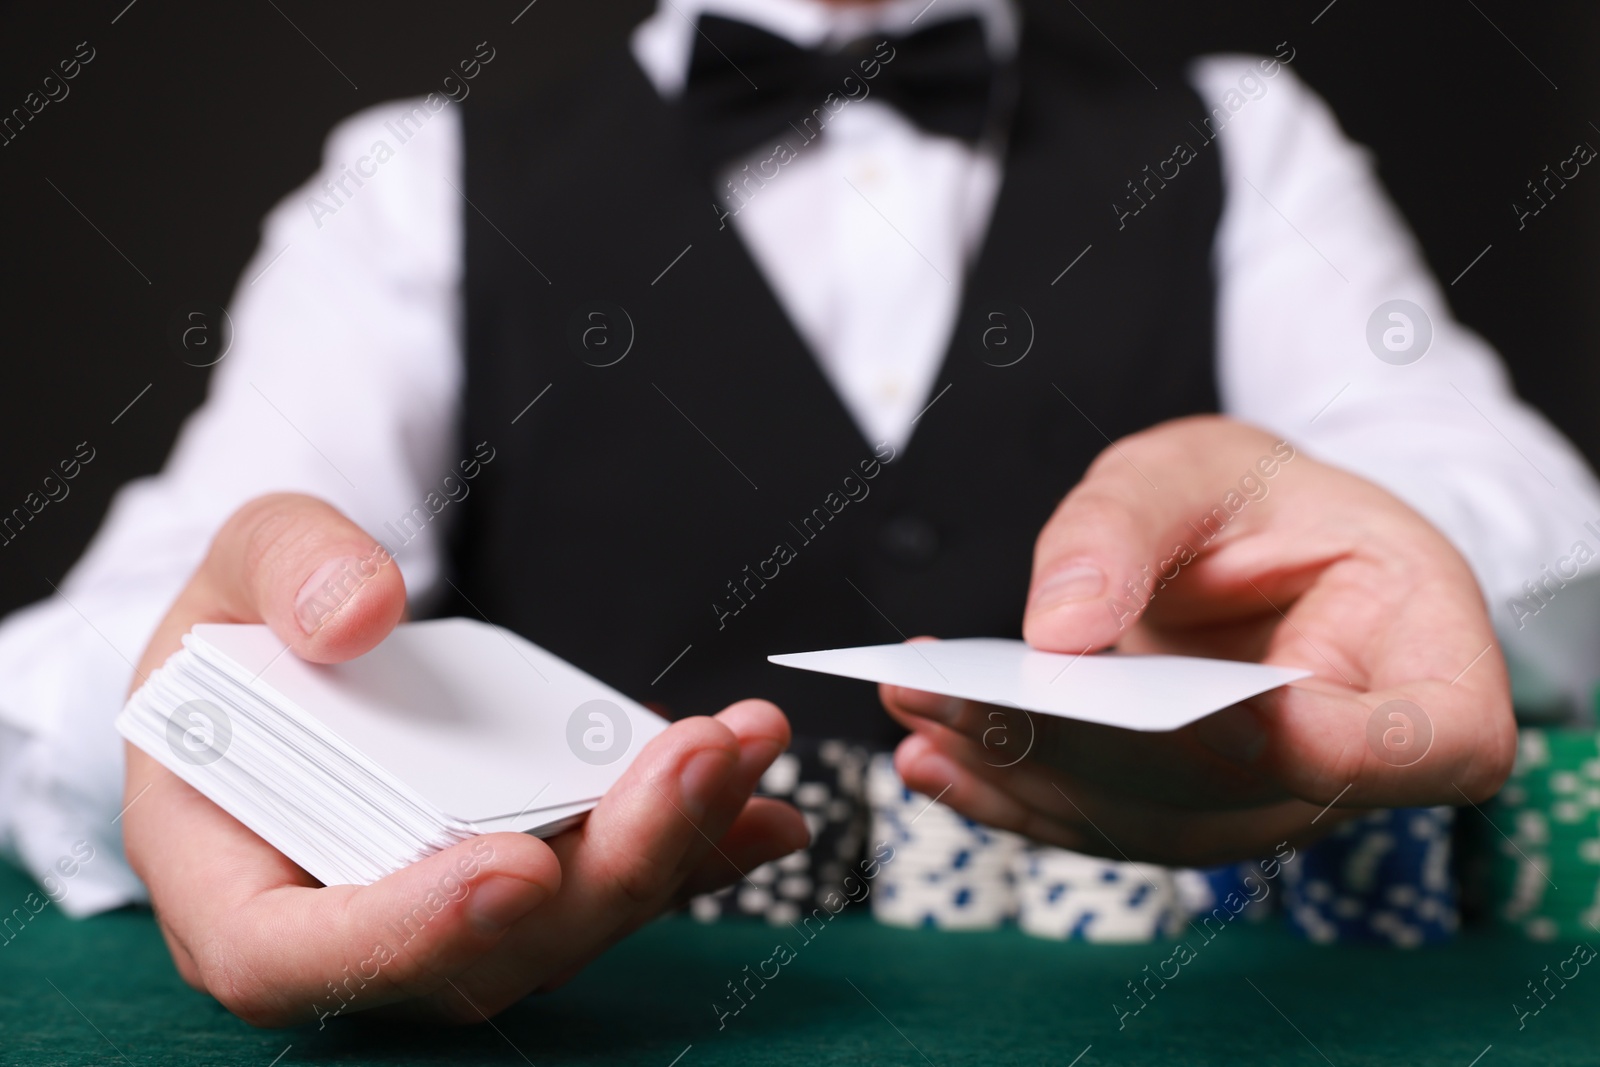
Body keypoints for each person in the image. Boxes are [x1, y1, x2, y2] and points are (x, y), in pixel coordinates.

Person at [1, 0, 1597, 1027]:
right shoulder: (418, 181)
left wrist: (1413, 557)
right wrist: (178, 714)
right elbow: (137, 622)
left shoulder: (1244, 136)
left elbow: (1554, 539)